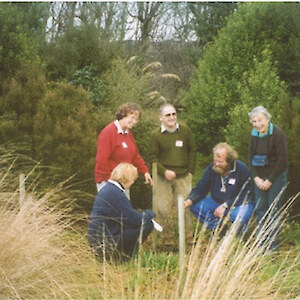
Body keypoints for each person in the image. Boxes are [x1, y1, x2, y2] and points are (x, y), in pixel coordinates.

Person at [149, 103, 196, 246]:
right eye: (168, 115)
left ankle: (188, 236)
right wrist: (164, 171)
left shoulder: (185, 131)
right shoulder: (155, 136)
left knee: (185, 206)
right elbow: (152, 157)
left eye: (173, 114)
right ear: (160, 117)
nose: (171, 117)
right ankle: (167, 236)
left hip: (183, 175)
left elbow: (192, 150)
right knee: (163, 207)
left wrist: (191, 172)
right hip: (163, 177)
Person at [88, 163, 155, 261]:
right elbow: (133, 220)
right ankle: (123, 257)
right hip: (106, 242)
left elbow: (126, 217)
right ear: (127, 178)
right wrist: (150, 214)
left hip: (99, 240)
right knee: (147, 224)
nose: (133, 182)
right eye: (133, 179)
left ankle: (120, 257)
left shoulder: (109, 189)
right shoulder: (116, 194)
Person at [184, 142, 255, 234]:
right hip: (216, 201)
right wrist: (190, 200)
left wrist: (226, 205)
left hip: (239, 203)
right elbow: (201, 187)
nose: (216, 164)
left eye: (220, 162)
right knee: (196, 206)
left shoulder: (241, 169)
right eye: (215, 161)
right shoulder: (211, 169)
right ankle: (220, 229)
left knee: (239, 215)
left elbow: (247, 194)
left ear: (229, 161)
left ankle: (239, 234)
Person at [248, 106, 288, 251]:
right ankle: (261, 243)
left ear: (267, 119)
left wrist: (270, 180)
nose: (258, 124)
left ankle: (272, 247)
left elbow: (283, 161)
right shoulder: (253, 134)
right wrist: (256, 178)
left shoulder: (278, 134)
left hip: (276, 176)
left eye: (260, 120)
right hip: (259, 177)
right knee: (261, 208)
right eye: (254, 121)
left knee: (273, 209)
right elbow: (250, 158)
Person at [94, 102, 153, 192]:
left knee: (123, 206)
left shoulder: (128, 133)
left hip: (124, 181)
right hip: (108, 182)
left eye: (136, 119)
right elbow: (102, 160)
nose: (134, 122)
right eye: (132, 118)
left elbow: (135, 156)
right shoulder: (108, 132)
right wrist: (111, 181)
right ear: (123, 115)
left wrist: (145, 172)